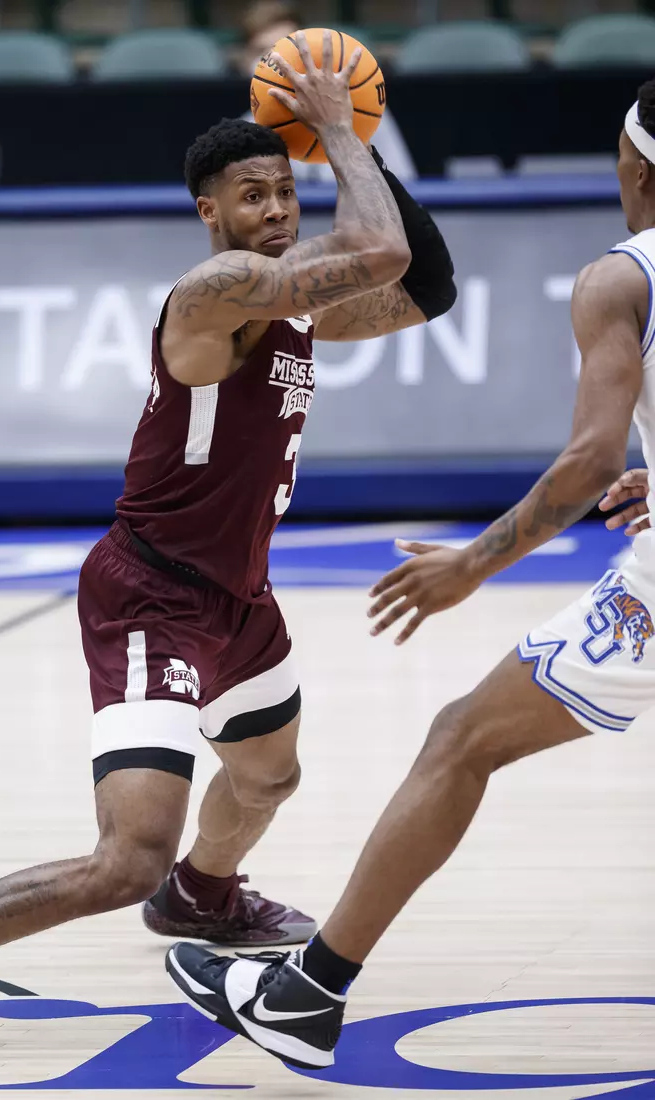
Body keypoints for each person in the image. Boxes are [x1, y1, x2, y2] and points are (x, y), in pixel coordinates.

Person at [0, 31, 455, 1065]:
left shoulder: (296, 312)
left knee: (268, 779)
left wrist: (356, 140)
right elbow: (380, 256)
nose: (275, 211)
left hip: (239, 597)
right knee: (125, 856)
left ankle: (206, 892)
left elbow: (426, 288)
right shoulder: (216, 295)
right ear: (209, 213)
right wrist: (334, 126)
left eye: (286, 191)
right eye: (252, 195)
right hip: (152, 594)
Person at [166, 77, 655, 1072]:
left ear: (632, 164)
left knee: (459, 738)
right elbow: (411, 281)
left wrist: (474, 562)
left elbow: (586, 459)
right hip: (189, 570)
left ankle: (306, 989)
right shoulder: (220, 299)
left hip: (192, 577)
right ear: (210, 212)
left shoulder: (621, 276)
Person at [239, 0, 417, 183]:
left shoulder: (365, 111)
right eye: (263, 52)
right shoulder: (241, 136)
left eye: (284, 50)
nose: (276, 62)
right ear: (245, 61)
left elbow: (403, 188)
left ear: (306, 53)